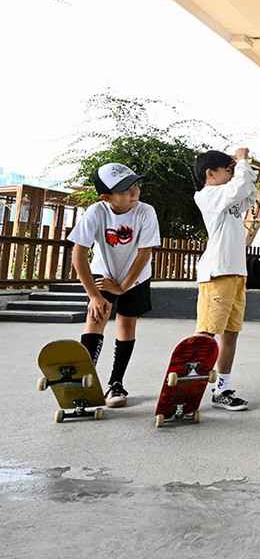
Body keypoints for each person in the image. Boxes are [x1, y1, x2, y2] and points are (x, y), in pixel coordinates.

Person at [68, 162, 160, 408]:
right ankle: (83, 383)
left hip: (136, 276)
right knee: (96, 318)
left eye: (135, 185)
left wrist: (123, 286)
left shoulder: (146, 211)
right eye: (124, 190)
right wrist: (94, 296)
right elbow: (79, 255)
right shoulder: (96, 212)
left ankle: (116, 383)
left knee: (126, 324)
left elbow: (144, 253)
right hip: (104, 273)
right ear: (106, 196)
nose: (133, 192)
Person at [193, 147, 258, 411]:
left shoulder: (227, 197)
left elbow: (248, 193)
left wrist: (245, 165)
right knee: (207, 333)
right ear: (211, 173)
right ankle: (190, 385)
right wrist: (241, 162)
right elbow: (239, 185)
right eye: (227, 171)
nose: (232, 175)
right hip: (217, 273)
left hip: (236, 273)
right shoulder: (207, 196)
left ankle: (223, 389)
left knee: (231, 334)